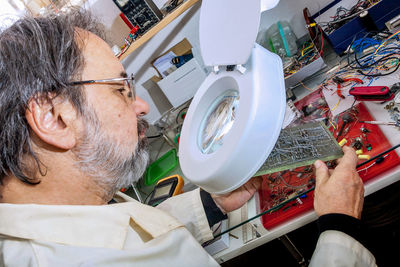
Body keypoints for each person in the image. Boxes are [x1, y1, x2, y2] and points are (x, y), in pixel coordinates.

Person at [0, 8, 375, 267]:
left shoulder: (64, 208)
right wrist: (340, 229)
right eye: (121, 88)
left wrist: (212, 205)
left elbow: (122, 229)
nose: (143, 105)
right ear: (54, 117)